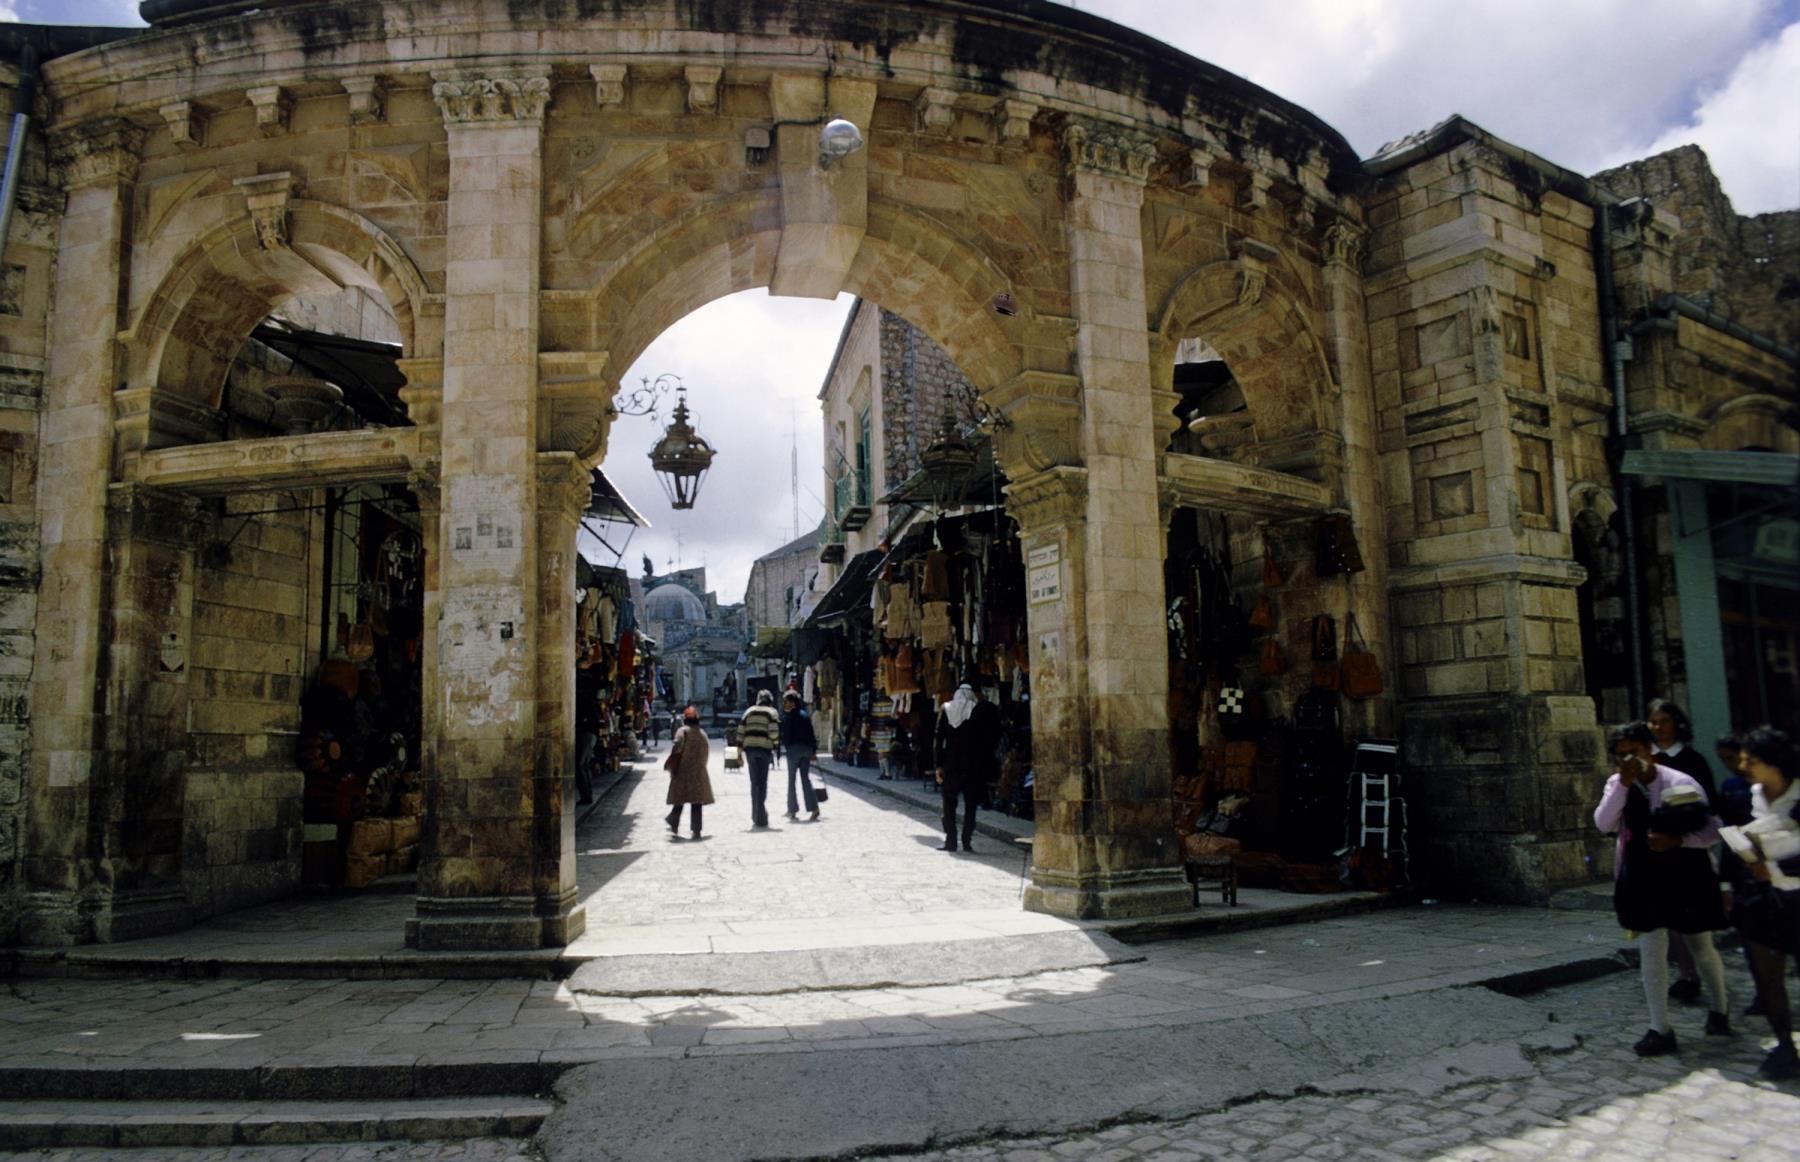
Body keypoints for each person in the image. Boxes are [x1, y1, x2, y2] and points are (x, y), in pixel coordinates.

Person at [1594, 721, 1731, 1056]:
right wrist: (1623, 785)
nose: (1629, 759)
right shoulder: (1618, 784)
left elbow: (1711, 831)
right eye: (1621, 754)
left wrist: (1677, 840)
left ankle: (1720, 1009)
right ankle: (1660, 1028)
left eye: (1635, 752)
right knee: (1652, 950)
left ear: (1649, 750)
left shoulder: (1679, 782)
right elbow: (1603, 823)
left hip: (1685, 872)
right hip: (1644, 877)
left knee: (1700, 945)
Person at [1722, 726, 1800, 1077]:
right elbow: (1733, 840)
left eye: (1751, 760)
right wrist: (1729, 883)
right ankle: (1784, 1045)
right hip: (1763, 899)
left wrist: (1776, 869)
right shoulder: (1746, 796)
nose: (1742, 766)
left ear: (1774, 763)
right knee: (1767, 977)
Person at [1648, 699, 1718, 1005]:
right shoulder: (1647, 760)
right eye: (1653, 721)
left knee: (1694, 924)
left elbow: (1708, 810)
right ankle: (1686, 975)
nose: (1658, 727)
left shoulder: (1692, 761)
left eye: (1664, 721)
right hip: (1656, 851)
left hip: (1687, 847)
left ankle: (1714, 991)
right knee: (1667, 922)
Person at [934, 683, 1000, 853]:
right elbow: (985, 740)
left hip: (951, 765)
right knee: (970, 806)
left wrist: (938, 764)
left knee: (949, 804)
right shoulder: (977, 710)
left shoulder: (946, 709)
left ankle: (951, 841)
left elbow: (939, 739)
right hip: (973, 766)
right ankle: (966, 841)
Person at [664, 706, 713, 838]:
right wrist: (701, 766)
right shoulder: (702, 734)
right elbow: (706, 752)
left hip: (683, 771)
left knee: (679, 799)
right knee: (696, 801)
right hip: (698, 772)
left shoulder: (682, 731)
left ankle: (673, 823)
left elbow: (676, 748)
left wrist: (672, 764)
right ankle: (696, 829)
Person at [739, 690, 781, 829]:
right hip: (764, 749)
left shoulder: (748, 712)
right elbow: (774, 732)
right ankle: (761, 816)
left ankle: (755, 814)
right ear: (770, 701)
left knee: (754, 782)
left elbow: (741, 731)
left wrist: (738, 752)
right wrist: (775, 745)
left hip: (750, 750)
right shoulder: (772, 712)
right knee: (762, 782)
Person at [780, 691, 820, 821]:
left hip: (793, 751)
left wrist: (785, 748)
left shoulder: (787, 717)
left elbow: (785, 737)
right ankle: (814, 808)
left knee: (792, 780)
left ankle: (792, 809)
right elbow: (811, 734)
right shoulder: (805, 715)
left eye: (786, 701)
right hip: (806, 750)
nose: (784, 704)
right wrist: (813, 751)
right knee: (805, 779)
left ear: (792, 703)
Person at [573, 654, 600, 805]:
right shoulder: (589, 684)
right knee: (583, 764)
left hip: (587, 730)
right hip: (589, 730)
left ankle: (586, 796)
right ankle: (587, 796)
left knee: (580, 764)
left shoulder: (586, 685)